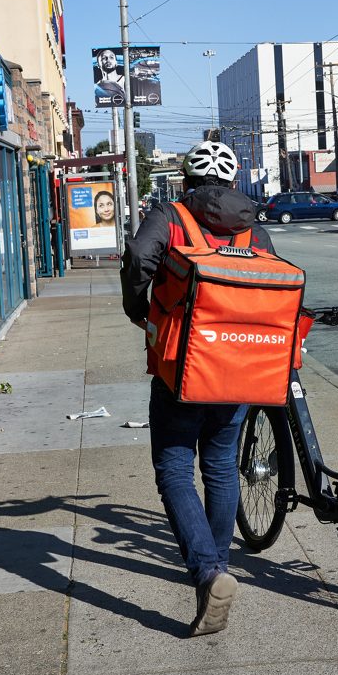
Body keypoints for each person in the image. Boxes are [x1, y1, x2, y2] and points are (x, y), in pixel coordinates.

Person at [120, 140, 274, 637]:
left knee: (173, 469)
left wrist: (138, 309)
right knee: (221, 465)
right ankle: (220, 564)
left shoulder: (172, 217)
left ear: (186, 181)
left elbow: (139, 257)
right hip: (239, 367)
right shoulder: (253, 228)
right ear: (232, 184)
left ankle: (208, 572)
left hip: (181, 367)